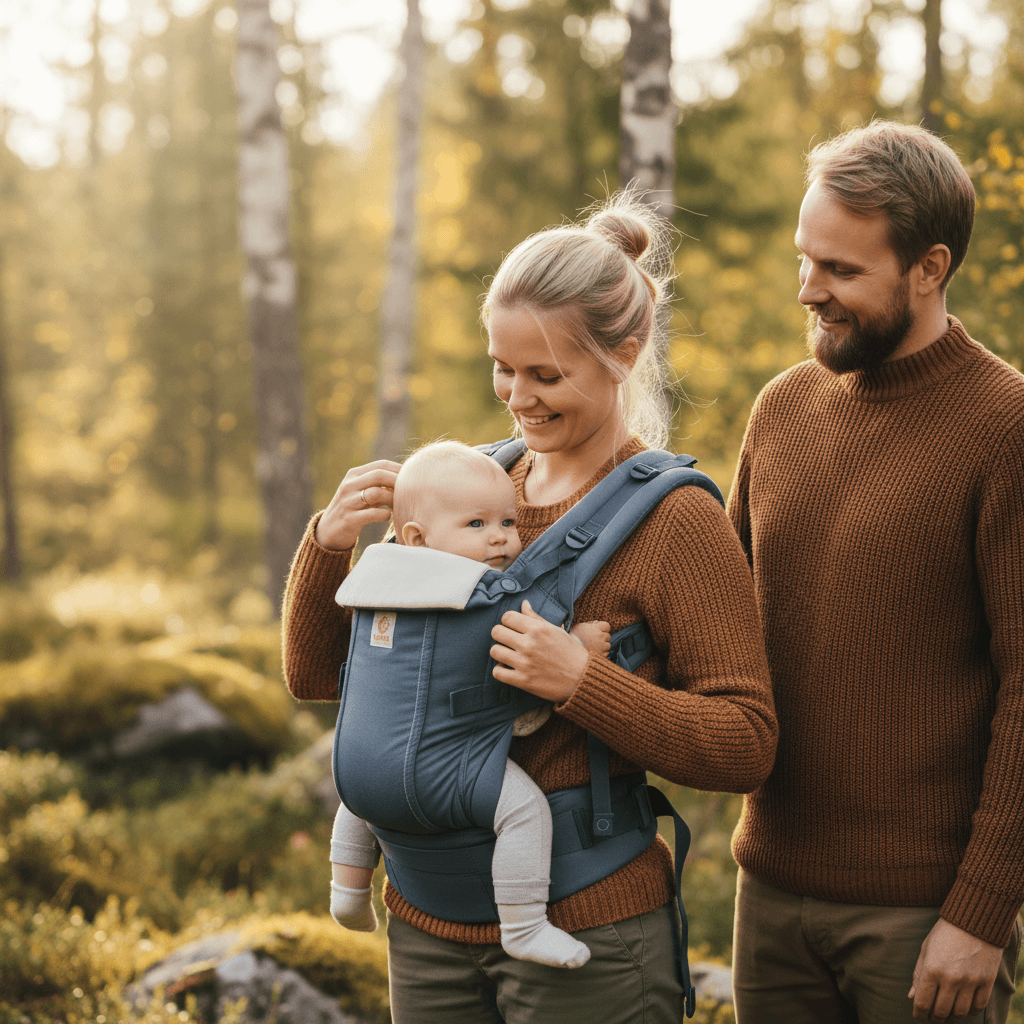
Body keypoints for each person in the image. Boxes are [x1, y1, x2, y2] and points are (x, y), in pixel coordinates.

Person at [283, 192, 777, 1024]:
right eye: (502, 368)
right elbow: (316, 679)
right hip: (426, 927)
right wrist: (329, 545)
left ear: (624, 353)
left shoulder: (675, 519)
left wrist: (582, 681)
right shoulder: (468, 494)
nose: (518, 396)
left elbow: (746, 744)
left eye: (546, 375)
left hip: (588, 936)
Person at [727, 120, 1024, 1024]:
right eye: (804, 259)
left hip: (924, 922)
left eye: (842, 272)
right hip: (769, 899)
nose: (809, 291)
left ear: (928, 269)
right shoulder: (782, 408)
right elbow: (714, 626)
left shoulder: (1005, 427)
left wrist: (979, 914)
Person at [328, 439, 610, 972]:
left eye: (508, 520)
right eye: (476, 525)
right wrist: (581, 651)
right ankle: (525, 925)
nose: (501, 537)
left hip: (359, 766)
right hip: (443, 772)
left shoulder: (370, 585)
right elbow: (524, 679)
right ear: (417, 537)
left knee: (361, 798)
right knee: (526, 811)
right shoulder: (490, 599)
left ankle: (346, 890)